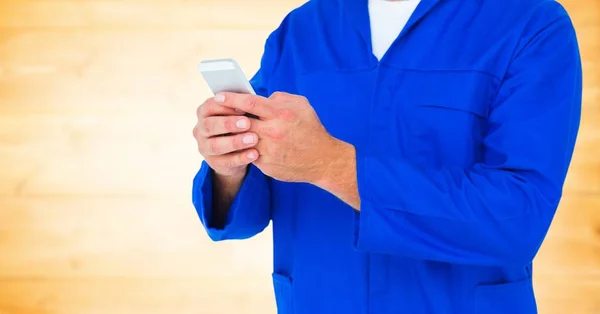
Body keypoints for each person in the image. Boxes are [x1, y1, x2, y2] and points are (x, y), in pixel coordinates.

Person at [191, 0, 582, 312]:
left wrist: (332, 165)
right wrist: (230, 164)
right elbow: (247, 210)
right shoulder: (302, 29)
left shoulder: (531, 23)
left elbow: (518, 215)